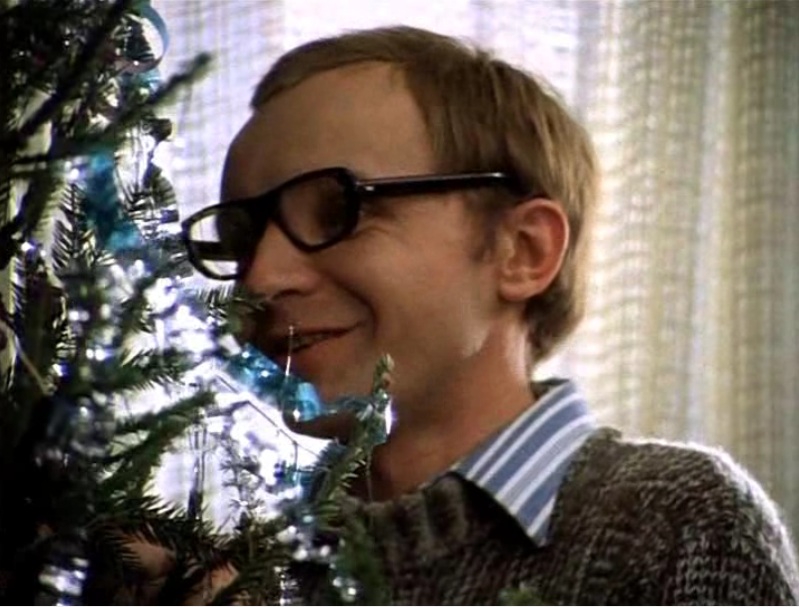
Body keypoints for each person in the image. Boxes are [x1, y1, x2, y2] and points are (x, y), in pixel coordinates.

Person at [176, 25, 799, 604]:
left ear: (522, 251)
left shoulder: (677, 523)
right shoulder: (244, 567)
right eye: (242, 238)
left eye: (339, 211)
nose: (261, 278)